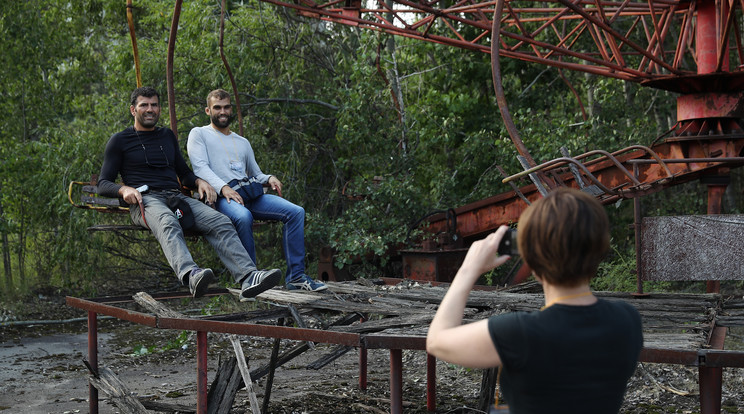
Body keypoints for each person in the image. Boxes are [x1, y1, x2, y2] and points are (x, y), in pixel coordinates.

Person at [427, 188, 643, 414]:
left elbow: (436, 341)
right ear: (600, 248)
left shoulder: (520, 332)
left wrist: (468, 270)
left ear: (532, 261)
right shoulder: (627, 320)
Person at [97, 86, 282, 300]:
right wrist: (123, 189)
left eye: (154, 105)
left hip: (176, 198)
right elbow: (103, 183)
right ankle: (190, 274)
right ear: (133, 110)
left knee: (220, 221)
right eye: (144, 105)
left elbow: (183, 173)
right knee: (168, 222)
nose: (150, 109)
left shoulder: (166, 136)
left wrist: (199, 182)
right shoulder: (120, 141)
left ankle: (249, 277)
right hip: (145, 201)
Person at [187, 89, 327, 292]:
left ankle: (296, 277)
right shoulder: (199, 134)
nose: (222, 111)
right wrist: (223, 188)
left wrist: (269, 178)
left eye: (226, 107)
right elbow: (200, 168)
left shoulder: (242, 142)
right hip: (221, 198)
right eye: (217, 108)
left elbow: (255, 173)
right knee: (243, 217)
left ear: (231, 109)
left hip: (248, 194)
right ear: (208, 110)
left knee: (296, 212)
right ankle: (250, 279)